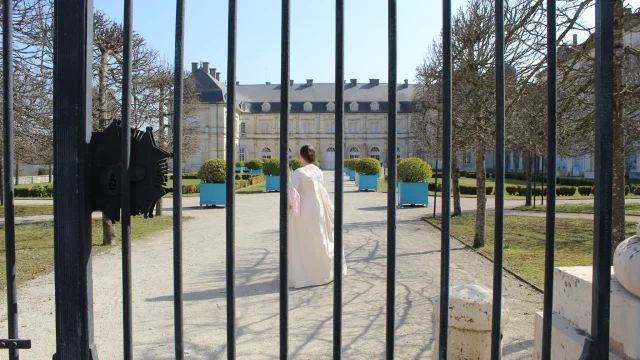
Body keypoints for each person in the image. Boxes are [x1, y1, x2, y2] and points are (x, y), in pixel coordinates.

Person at [288, 145, 347, 288]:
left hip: (303, 209)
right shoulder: (319, 172)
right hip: (318, 208)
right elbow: (322, 192)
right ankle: (323, 273)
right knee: (319, 239)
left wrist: (290, 207)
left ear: (301, 156)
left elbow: (292, 192)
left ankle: (305, 276)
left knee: (303, 241)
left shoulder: (299, 172)